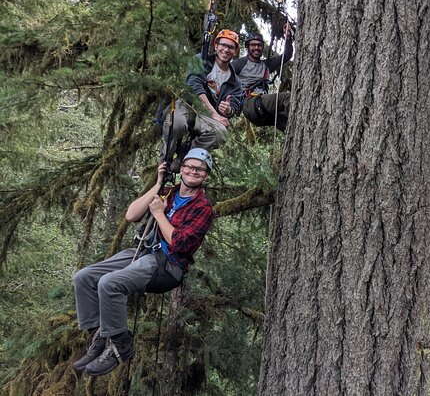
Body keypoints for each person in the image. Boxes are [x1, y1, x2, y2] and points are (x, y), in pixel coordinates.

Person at [72, 148, 214, 376]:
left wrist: (159, 214)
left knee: (109, 284)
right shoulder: (167, 191)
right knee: (84, 278)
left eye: (199, 169)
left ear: (206, 175)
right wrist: (158, 183)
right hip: (144, 251)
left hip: (167, 265)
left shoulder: (202, 207)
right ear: (182, 169)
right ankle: (99, 337)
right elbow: (131, 215)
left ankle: (119, 345)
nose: (193, 172)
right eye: (189, 166)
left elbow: (180, 243)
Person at [162, 29, 244, 172]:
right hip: (188, 104)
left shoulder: (235, 81)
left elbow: (235, 104)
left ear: (236, 51)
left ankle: (186, 154)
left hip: (205, 115)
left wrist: (228, 110)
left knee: (221, 133)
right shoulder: (200, 59)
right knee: (176, 124)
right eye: (223, 45)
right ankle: (164, 163)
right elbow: (194, 85)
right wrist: (215, 113)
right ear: (216, 46)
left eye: (231, 47)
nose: (226, 49)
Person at [230, 24, 294, 131]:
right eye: (253, 45)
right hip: (250, 103)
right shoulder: (239, 63)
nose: (256, 48)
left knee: (287, 123)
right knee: (286, 98)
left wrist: (288, 38)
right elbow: (225, 77)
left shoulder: (267, 65)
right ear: (247, 47)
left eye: (259, 45)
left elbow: (286, 56)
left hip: (261, 110)